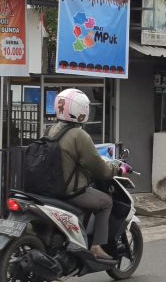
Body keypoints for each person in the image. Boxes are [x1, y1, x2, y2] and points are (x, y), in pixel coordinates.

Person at [47, 88, 117, 263]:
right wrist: (115, 169)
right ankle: (96, 246)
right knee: (106, 202)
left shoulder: (51, 130)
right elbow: (98, 167)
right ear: (81, 110)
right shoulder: (79, 135)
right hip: (70, 192)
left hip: (49, 190)